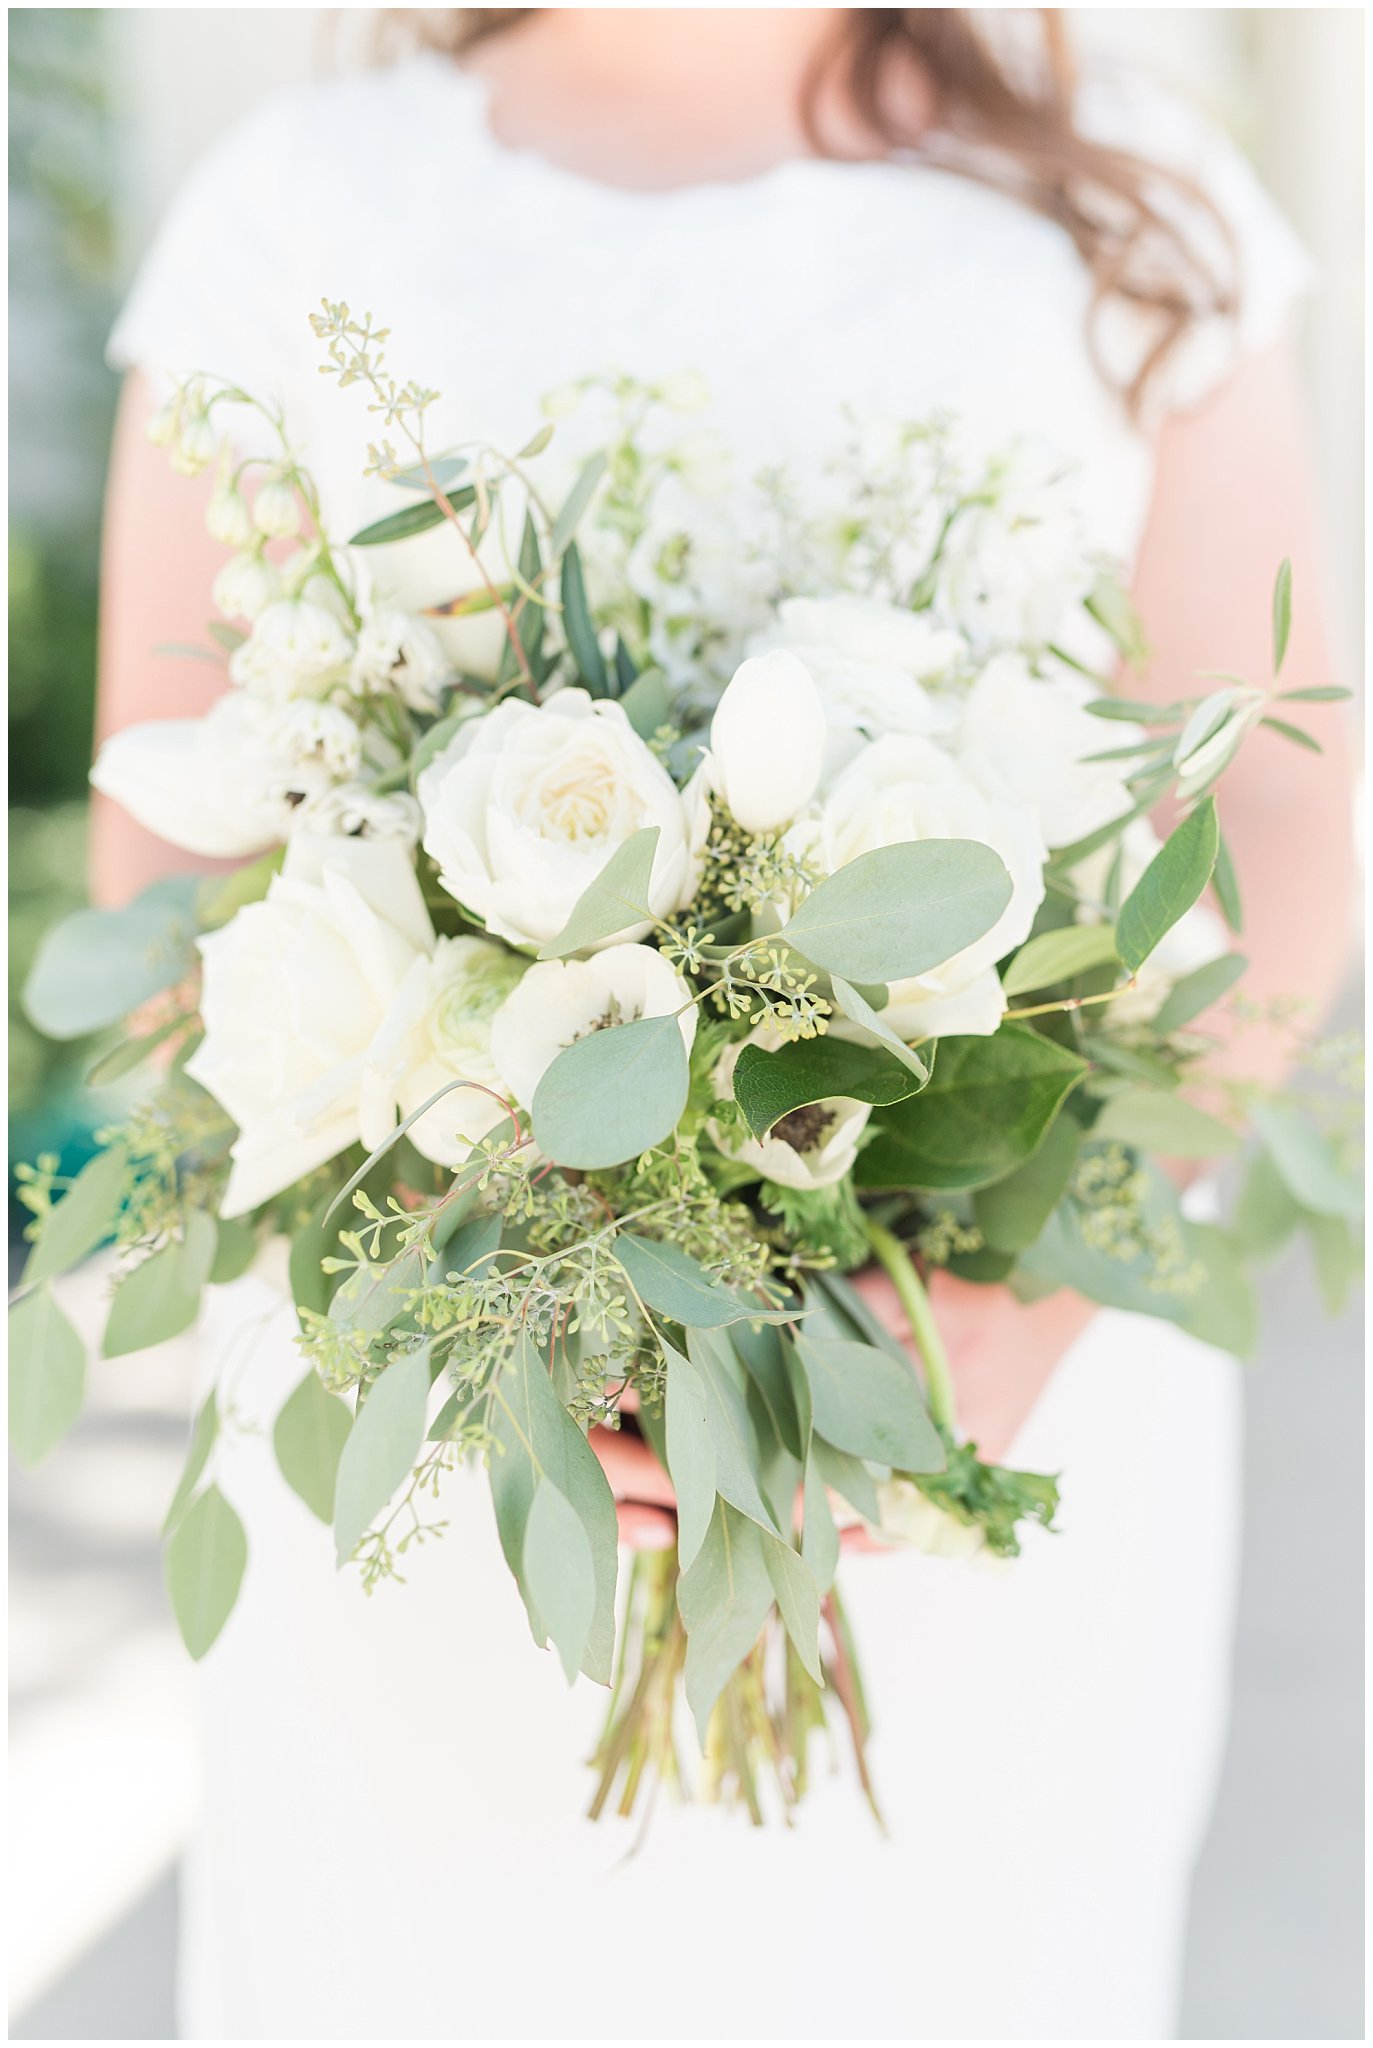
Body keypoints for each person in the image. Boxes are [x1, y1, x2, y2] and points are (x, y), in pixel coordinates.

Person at [95, 11, 1354, 2037]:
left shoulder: (1140, 203)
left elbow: (1275, 812)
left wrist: (1023, 1307)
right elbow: (159, 871)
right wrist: (478, 1258)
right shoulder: (303, 213)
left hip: (984, 1427)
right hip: (456, 1461)